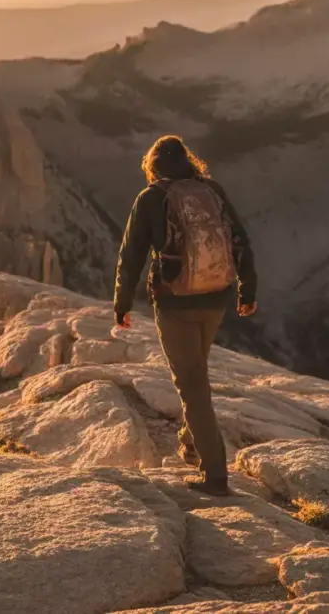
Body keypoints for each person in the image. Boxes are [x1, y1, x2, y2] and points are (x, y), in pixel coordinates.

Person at [113, 135, 257, 496]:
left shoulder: (150, 198)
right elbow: (239, 239)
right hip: (215, 298)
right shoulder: (211, 190)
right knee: (195, 374)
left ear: (153, 166)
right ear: (188, 162)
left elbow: (132, 256)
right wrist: (247, 290)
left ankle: (215, 476)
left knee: (192, 386)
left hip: (175, 303)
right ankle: (192, 444)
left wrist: (122, 303)